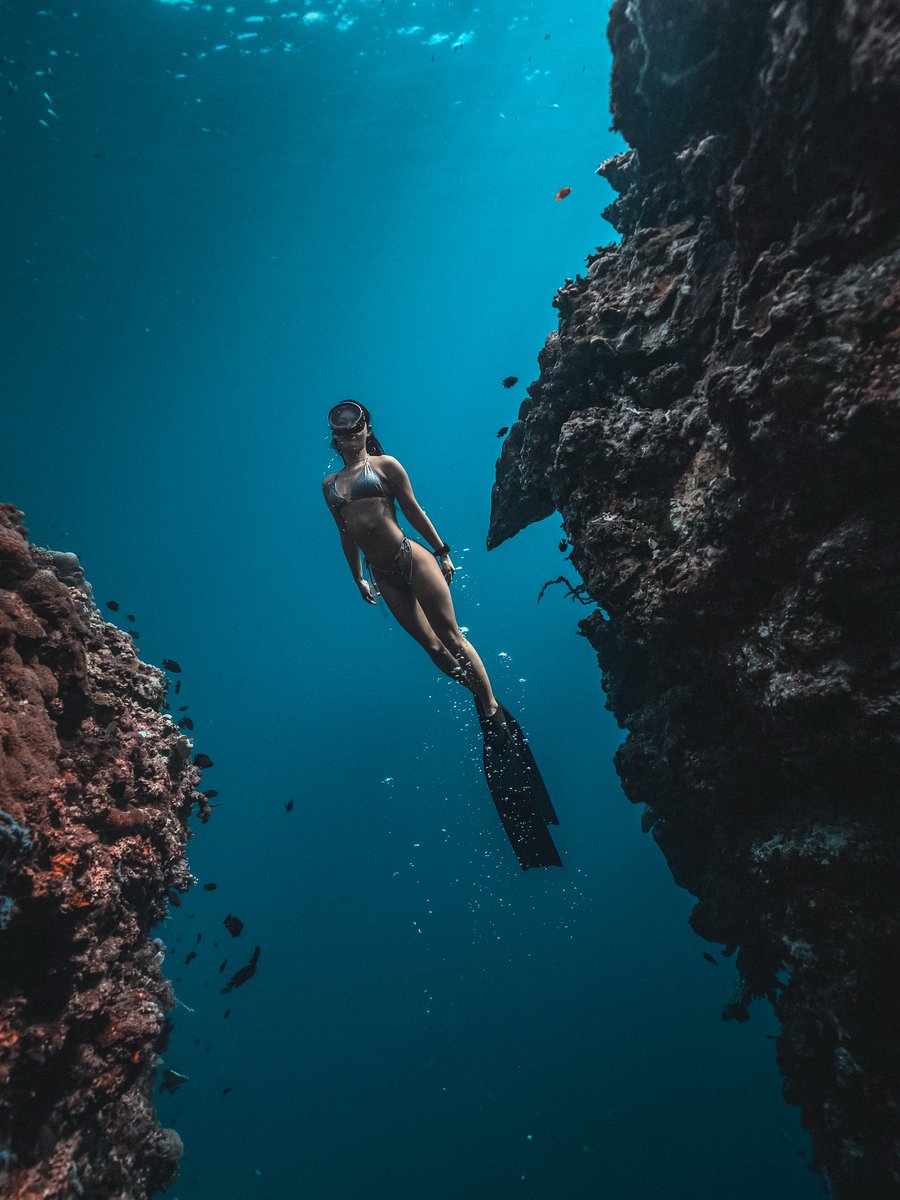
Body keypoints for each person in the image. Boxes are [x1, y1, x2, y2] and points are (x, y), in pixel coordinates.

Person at [322, 400, 510, 747]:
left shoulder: (385, 465)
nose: (350, 436)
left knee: (452, 637)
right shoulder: (329, 485)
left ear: (367, 429)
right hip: (381, 574)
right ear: (334, 438)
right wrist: (358, 576)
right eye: (342, 432)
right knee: (433, 648)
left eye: (356, 428)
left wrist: (442, 552)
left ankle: (492, 709)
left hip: (412, 558)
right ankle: (478, 690)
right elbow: (345, 534)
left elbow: (411, 509)